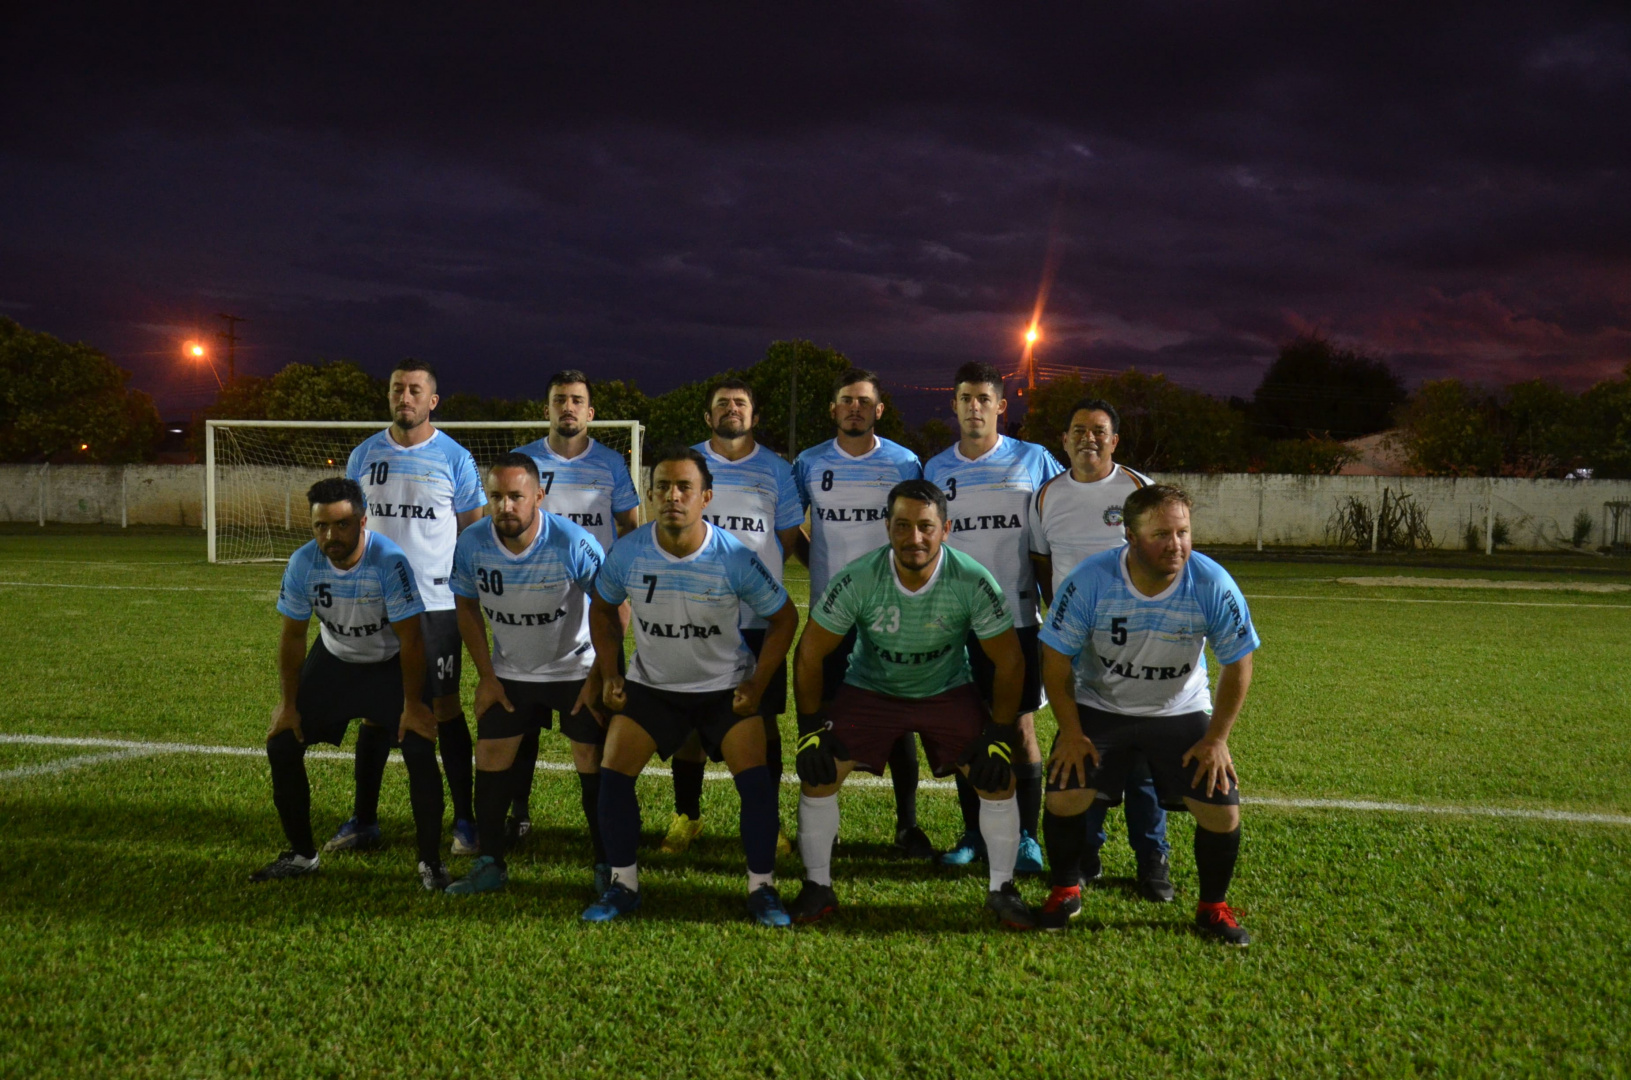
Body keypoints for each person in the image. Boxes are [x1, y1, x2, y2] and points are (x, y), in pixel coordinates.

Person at [786, 479, 1034, 929]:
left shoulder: (973, 579)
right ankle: (817, 885)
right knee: (819, 771)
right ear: (887, 527)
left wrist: (997, 735)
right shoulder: (858, 577)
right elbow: (809, 653)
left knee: (995, 777)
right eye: (902, 526)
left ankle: (1002, 888)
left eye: (925, 527)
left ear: (946, 529)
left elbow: (1009, 661)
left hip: (946, 690)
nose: (914, 538)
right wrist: (810, 730)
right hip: (871, 690)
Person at [581, 448, 799, 926]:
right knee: (613, 772)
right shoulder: (630, 551)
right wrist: (613, 673)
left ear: (707, 498)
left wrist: (758, 684)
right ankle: (624, 885)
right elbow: (601, 607)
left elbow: (784, 617)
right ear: (651, 494)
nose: (672, 496)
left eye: (684, 488)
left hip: (724, 688)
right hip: (654, 687)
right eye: (662, 487)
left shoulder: (735, 556)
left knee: (756, 782)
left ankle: (762, 888)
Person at [1036, 484, 1259, 945]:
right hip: (1101, 706)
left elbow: (1239, 664)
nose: (1175, 544)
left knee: (1222, 811)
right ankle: (1064, 890)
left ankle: (1212, 908)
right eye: (1161, 534)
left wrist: (1216, 740)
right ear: (1130, 537)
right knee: (1063, 794)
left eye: (1183, 532)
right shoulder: (1091, 579)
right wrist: (1073, 733)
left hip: (1178, 710)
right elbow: (1055, 659)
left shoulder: (1212, 582)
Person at [253, 477, 450, 890]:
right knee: (282, 743)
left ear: (362, 522)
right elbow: (292, 637)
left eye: (341, 525)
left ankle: (431, 863)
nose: (330, 536)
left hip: (390, 663)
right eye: (321, 526)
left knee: (418, 746)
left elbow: (412, 639)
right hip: (335, 659)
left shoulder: (388, 561)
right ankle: (303, 855)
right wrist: (288, 705)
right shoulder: (303, 563)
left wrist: (413, 704)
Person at [330, 359, 485, 857]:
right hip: (375, 606)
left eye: (415, 390)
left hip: (435, 605)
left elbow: (472, 531)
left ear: (432, 401)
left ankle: (465, 821)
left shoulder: (456, 459)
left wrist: (463, 596)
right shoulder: (363, 455)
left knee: (443, 708)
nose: (405, 397)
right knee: (377, 714)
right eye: (398, 388)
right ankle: (364, 820)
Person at [444, 453, 609, 896]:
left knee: (591, 760)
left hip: (575, 670)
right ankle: (490, 865)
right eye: (496, 496)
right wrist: (486, 675)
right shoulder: (472, 542)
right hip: (510, 672)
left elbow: (614, 605)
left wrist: (599, 676)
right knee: (492, 757)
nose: (505, 506)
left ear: (538, 496)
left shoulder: (572, 541)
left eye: (516, 496)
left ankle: (606, 866)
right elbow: (465, 604)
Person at [1030, 398, 1171, 902]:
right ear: (1064, 440)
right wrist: (1067, 617)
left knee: (1141, 758)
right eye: (1078, 430)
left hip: (1138, 641)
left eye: (1099, 430)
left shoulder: (1136, 488)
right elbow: (1042, 563)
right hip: (1077, 646)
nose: (1088, 438)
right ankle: (1085, 855)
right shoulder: (1046, 495)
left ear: (1115, 440)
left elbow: (1161, 556)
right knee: (1080, 750)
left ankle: (1152, 860)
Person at [923, 362, 1062, 873]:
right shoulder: (936, 469)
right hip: (956, 623)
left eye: (984, 398)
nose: (975, 407)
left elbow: (1056, 525)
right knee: (966, 731)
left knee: (1020, 728)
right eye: (965, 398)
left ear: (1002, 406)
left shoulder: (1034, 459)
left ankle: (1027, 837)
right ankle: (975, 834)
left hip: (1018, 619)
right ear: (954, 405)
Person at [791, 368, 933, 859]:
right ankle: (822, 826)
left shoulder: (904, 461)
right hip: (832, 614)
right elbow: (793, 525)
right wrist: (825, 571)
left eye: (864, 401)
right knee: (824, 716)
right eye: (846, 400)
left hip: (891, 610)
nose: (855, 408)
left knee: (899, 717)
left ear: (879, 410)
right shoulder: (808, 463)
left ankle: (907, 825)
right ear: (833, 410)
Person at [670, 378, 805, 854]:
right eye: (722, 404)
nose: (732, 409)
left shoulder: (777, 470)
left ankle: (766, 820)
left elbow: (785, 538)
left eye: (741, 403)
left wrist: (754, 577)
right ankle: (686, 816)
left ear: (755, 415)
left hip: (755, 620)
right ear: (708, 417)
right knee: (688, 722)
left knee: (762, 720)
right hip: (694, 612)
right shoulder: (687, 462)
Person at [510, 370, 641, 842]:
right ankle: (518, 813)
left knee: (598, 720)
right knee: (521, 723)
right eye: (559, 399)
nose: (568, 407)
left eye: (577, 400)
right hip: (531, 609)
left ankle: (605, 826)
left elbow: (629, 528)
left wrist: (618, 590)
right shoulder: (523, 461)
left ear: (591, 412)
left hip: (594, 616)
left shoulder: (609, 464)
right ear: (546, 408)